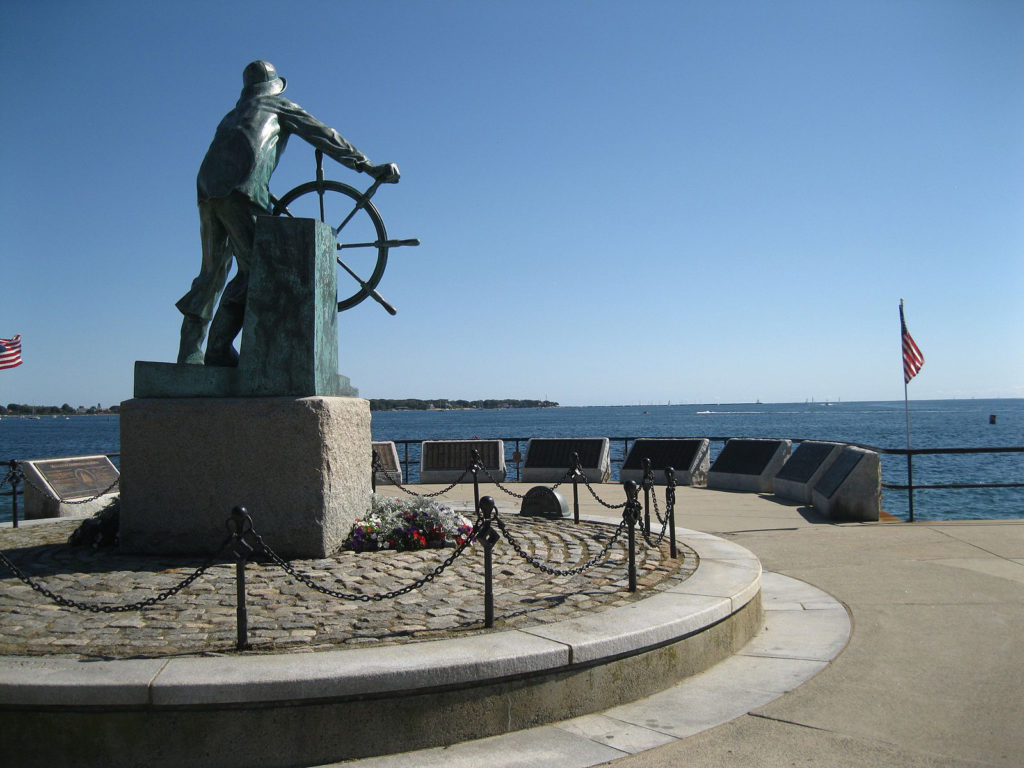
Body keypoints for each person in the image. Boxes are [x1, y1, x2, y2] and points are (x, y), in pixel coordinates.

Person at [176, 60, 398, 365]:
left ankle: (189, 353)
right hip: (242, 189)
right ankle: (217, 350)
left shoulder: (231, 116)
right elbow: (325, 135)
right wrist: (366, 165)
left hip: (207, 190)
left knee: (211, 273)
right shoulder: (279, 106)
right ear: (273, 87)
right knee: (259, 270)